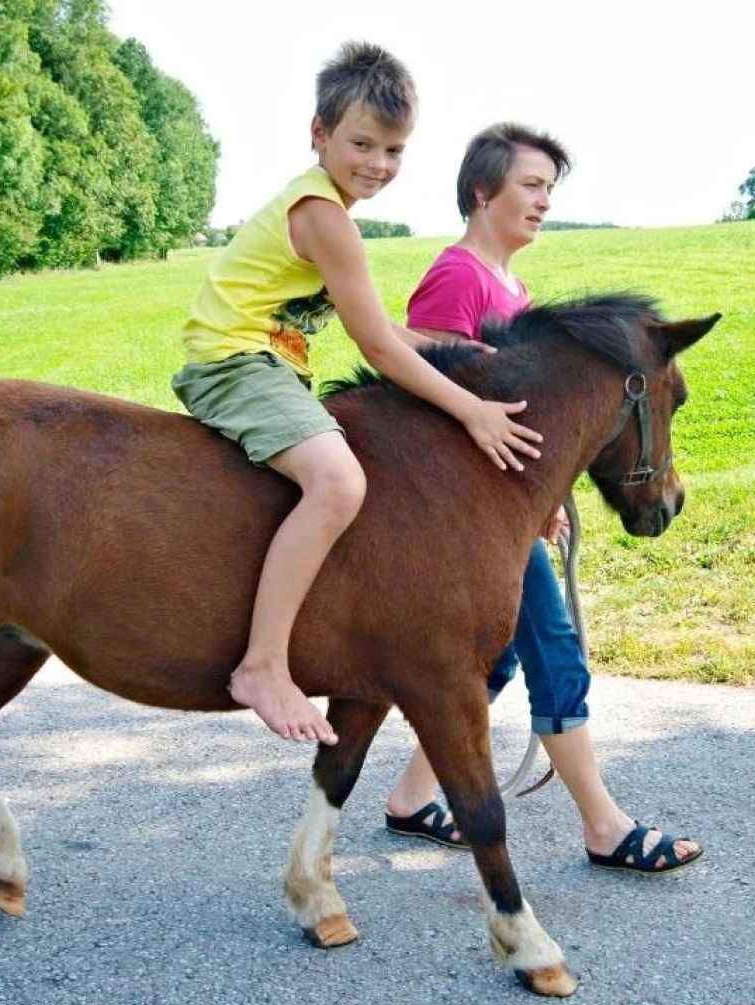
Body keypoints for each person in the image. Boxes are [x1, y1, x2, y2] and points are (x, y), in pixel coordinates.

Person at [174, 45, 543, 747]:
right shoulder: (324, 216)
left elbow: (386, 329)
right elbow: (376, 349)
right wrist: (471, 408)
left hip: (264, 363)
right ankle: (261, 664)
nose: (377, 163)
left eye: (395, 150)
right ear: (320, 133)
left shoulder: (327, 209)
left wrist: (464, 353)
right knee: (339, 482)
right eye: (362, 143)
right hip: (233, 363)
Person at [380, 123, 702, 873]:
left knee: (493, 662)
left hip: (504, 504)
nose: (544, 202)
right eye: (531, 186)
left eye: (551, 190)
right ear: (481, 191)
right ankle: (604, 825)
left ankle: (408, 799)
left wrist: (540, 492)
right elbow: (417, 398)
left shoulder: (508, 285)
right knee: (553, 648)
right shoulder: (460, 275)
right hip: (471, 512)